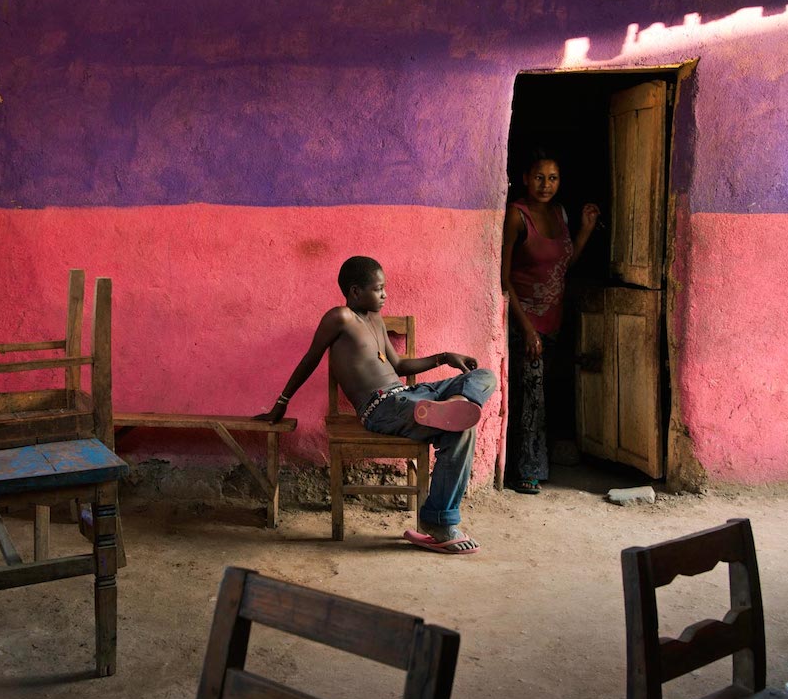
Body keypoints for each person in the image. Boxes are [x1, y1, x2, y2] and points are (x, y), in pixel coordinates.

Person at [255, 256, 497, 554]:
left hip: (413, 395)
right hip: (381, 407)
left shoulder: (376, 319)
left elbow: (399, 364)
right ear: (356, 291)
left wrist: (445, 357)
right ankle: (440, 522)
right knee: (462, 431)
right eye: (379, 289)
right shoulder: (339, 317)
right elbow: (311, 358)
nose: (385, 295)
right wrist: (282, 402)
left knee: (484, 377)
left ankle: (458, 403)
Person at [501, 150, 599, 494]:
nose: (546, 185)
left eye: (553, 178)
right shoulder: (516, 215)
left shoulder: (559, 213)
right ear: (526, 178)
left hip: (553, 320)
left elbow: (562, 266)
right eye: (539, 177)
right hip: (523, 322)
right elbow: (504, 278)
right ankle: (523, 471)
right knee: (529, 396)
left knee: (545, 394)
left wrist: (584, 231)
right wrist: (526, 328)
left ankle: (537, 464)